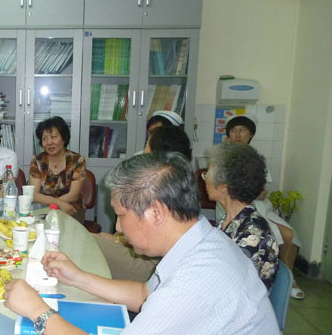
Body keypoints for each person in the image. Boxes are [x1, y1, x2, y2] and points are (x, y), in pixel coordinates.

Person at [4, 152, 288, 335]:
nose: (117, 226)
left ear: (156, 212)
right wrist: (78, 277)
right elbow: (144, 294)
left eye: (121, 215)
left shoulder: (199, 279)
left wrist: (38, 311)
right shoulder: (202, 240)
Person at [95, 126, 192, 281]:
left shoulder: (150, 189)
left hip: (148, 264)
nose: (143, 151)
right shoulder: (181, 182)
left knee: (91, 243)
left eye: (146, 145)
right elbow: (143, 292)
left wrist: (117, 240)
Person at [225, 115, 303, 298]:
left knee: (291, 235)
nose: (238, 134)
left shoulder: (257, 159)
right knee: (276, 235)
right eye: (234, 130)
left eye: (242, 130)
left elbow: (263, 192)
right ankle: (273, 279)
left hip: (261, 206)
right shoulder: (225, 158)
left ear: (250, 134)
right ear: (228, 135)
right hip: (237, 206)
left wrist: (250, 192)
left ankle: (288, 281)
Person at [204, 143, 279, 292]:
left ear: (224, 186)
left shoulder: (254, 234)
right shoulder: (228, 220)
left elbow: (227, 287)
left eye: (207, 174)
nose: (204, 179)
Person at [29, 116, 86, 219]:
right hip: (44, 210)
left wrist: (56, 205)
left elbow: (73, 195)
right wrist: (58, 203)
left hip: (70, 209)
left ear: (64, 138)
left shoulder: (77, 160)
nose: (49, 142)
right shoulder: (37, 161)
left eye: (53, 137)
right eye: (44, 138)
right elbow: (34, 195)